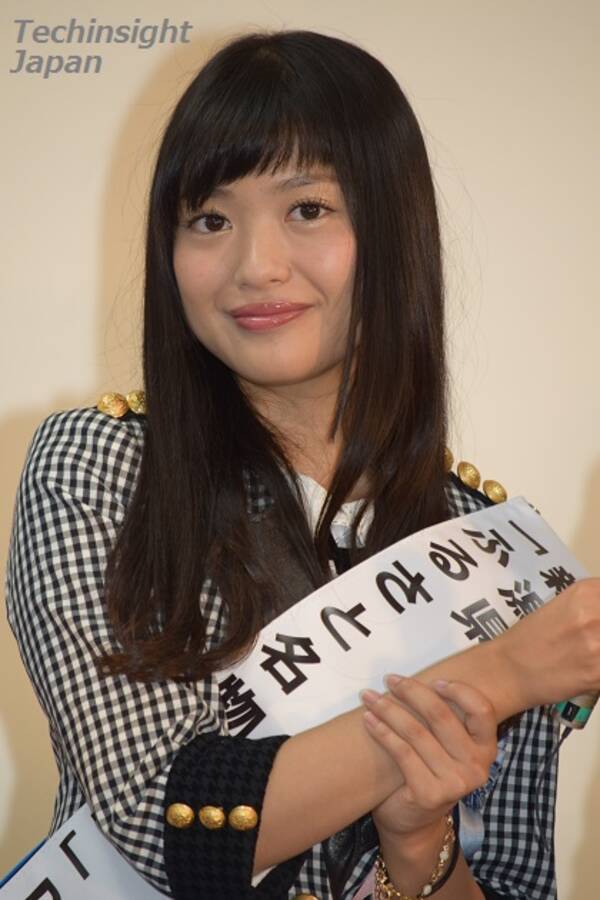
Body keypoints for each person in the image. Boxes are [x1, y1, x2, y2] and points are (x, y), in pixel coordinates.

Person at [5, 27, 600, 900]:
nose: (255, 266)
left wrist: (418, 847)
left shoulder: (490, 548)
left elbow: (511, 884)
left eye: (308, 209)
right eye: (210, 220)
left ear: (393, 231)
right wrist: (504, 671)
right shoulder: (102, 467)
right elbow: (157, 820)